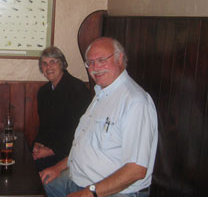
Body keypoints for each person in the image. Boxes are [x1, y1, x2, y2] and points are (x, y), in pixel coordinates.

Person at [41, 37, 158, 197]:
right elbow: (84, 146)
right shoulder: (102, 93)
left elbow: (136, 170)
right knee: (38, 186)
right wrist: (58, 167)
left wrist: (89, 193)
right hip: (78, 177)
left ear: (120, 59)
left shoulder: (135, 102)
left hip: (114, 191)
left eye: (102, 60)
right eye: (90, 62)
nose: (96, 67)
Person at [33, 46, 91, 172]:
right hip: (49, 149)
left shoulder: (77, 90)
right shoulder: (43, 92)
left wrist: (51, 151)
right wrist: (38, 144)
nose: (49, 67)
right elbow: (44, 126)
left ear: (62, 64)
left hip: (70, 153)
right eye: (44, 63)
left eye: (53, 62)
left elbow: (81, 131)